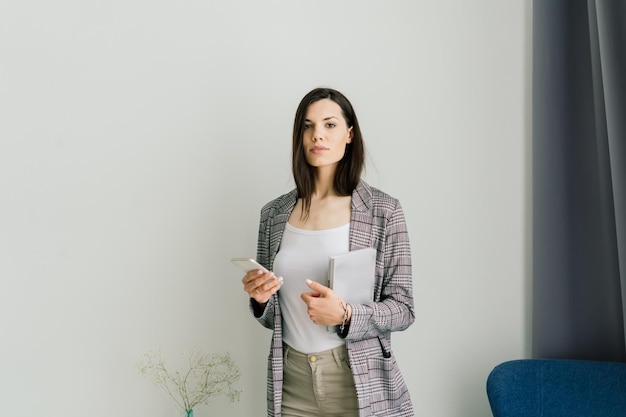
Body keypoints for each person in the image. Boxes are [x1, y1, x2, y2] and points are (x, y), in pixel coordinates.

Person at [241, 87, 415, 417]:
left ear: (350, 134)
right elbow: (272, 316)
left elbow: (403, 308)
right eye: (307, 126)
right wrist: (260, 298)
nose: (317, 134)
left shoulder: (383, 211)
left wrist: (347, 315)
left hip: (355, 380)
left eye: (329, 125)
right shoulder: (274, 214)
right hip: (291, 381)